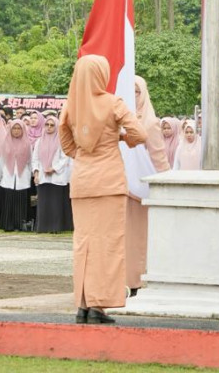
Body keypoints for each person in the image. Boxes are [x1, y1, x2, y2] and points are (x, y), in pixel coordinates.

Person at [59, 54, 147, 325]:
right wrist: (120, 139)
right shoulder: (112, 103)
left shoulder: (70, 107)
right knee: (107, 244)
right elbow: (140, 134)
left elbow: (67, 146)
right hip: (109, 180)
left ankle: (83, 305)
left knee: (83, 243)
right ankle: (99, 306)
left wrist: (87, 155)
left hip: (83, 181)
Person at [127, 76, 171, 295]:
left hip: (140, 189)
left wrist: (166, 184)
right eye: (129, 91)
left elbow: (159, 157)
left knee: (137, 236)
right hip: (119, 185)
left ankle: (134, 280)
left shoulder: (150, 123)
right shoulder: (120, 117)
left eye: (136, 92)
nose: (133, 96)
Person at [33, 114, 72, 233]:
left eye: (52, 125)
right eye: (47, 125)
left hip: (57, 176)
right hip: (43, 176)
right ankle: (43, 227)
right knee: (44, 202)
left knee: (56, 203)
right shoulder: (39, 141)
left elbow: (65, 158)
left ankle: (56, 227)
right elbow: (35, 159)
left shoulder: (61, 140)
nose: (49, 127)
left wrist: (53, 168)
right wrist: (36, 173)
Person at [0, 119, 33, 232]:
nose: (16, 131)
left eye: (19, 128)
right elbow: (2, 159)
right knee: (8, 200)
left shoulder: (27, 143)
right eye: (14, 128)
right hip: (8, 174)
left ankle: (19, 225)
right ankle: (7, 225)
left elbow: (30, 160)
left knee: (20, 200)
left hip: (22, 174)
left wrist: (32, 173)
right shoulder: (5, 141)